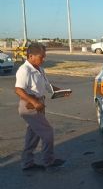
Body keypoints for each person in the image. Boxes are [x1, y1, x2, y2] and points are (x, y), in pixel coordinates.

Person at [15, 43, 67, 171]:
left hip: (38, 104)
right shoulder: (25, 70)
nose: (43, 59)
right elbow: (18, 90)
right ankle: (48, 161)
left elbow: (46, 85)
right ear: (31, 56)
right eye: (41, 57)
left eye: (44, 56)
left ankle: (27, 163)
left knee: (33, 136)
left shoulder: (39, 68)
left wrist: (59, 90)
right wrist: (35, 102)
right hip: (30, 106)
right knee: (47, 132)